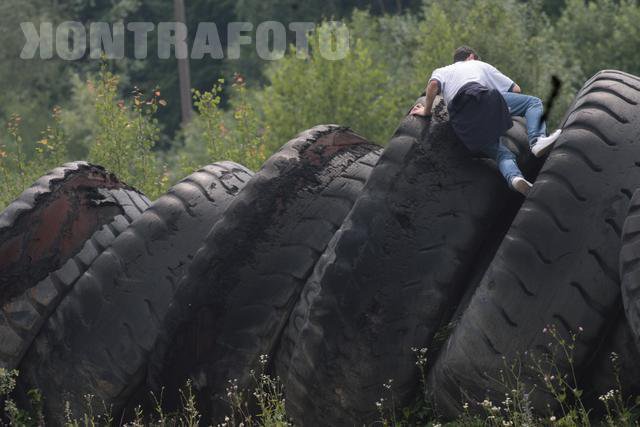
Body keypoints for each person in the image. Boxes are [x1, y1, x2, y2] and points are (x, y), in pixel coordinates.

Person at [410, 46, 561, 196]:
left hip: (461, 120)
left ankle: (515, 178)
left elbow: (433, 85)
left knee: (502, 154)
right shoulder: (477, 64)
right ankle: (536, 140)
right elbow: (516, 89)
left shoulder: (441, 71)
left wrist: (426, 111)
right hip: (479, 98)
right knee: (533, 103)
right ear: (471, 57)